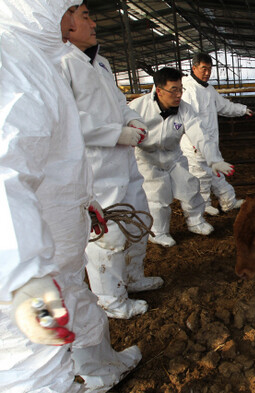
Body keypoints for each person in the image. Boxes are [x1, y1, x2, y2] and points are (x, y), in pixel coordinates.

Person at [0, 1, 140, 391]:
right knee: (33, 362)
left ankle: (101, 369)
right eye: (72, 8)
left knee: (74, 300)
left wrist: (85, 200)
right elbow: (4, 166)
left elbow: (53, 151)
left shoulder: (38, 56)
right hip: (25, 258)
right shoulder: (11, 60)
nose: (83, 18)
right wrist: (20, 274)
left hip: (54, 228)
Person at [61, 1, 162, 319]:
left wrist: (134, 121)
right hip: (95, 169)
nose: (94, 23)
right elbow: (66, 121)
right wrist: (114, 134)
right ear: (67, 21)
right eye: (86, 16)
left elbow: (120, 102)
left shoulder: (100, 62)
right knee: (108, 235)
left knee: (139, 219)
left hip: (124, 163)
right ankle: (111, 300)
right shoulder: (61, 64)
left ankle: (133, 276)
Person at [129, 67, 232, 247]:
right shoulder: (138, 107)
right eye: (173, 90)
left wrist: (214, 159)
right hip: (147, 159)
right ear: (159, 90)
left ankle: (196, 222)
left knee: (190, 187)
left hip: (173, 156)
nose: (178, 95)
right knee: (157, 197)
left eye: (180, 89)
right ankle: (158, 232)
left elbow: (199, 134)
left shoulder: (184, 109)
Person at [180, 52, 252, 216]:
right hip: (195, 144)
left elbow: (223, 106)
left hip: (211, 141)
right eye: (203, 69)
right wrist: (195, 144)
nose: (207, 73)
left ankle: (228, 202)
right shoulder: (188, 89)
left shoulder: (208, 89)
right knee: (200, 176)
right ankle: (203, 206)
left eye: (209, 69)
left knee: (217, 173)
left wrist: (241, 109)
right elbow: (188, 121)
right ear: (194, 68)